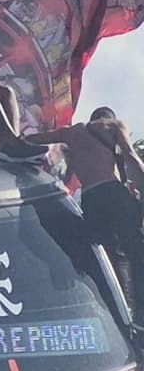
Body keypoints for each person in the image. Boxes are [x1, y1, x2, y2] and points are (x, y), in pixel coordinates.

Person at [28, 106, 144, 325]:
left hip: (91, 199)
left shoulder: (72, 132)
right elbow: (130, 155)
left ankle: (120, 311)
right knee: (136, 252)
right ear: (109, 118)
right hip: (113, 193)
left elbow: (37, 139)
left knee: (108, 256)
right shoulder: (115, 125)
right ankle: (140, 314)